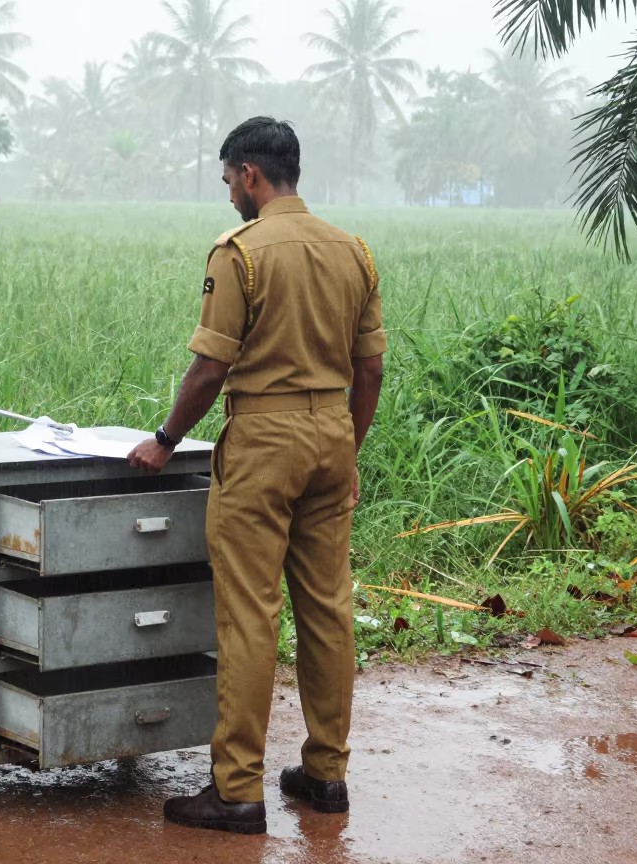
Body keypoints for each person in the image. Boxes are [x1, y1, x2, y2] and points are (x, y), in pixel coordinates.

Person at [127, 116, 386, 835]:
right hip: (334, 431)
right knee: (328, 610)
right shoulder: (352, 251)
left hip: (264, 440)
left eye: (228, 182)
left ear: (250, 175)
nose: (229, 198)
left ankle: (236, 791)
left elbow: (211, 367)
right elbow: (370, 369)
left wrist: (164, 439)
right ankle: (326, 775)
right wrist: (344, 447)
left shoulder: (239, 253)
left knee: (249, 615)